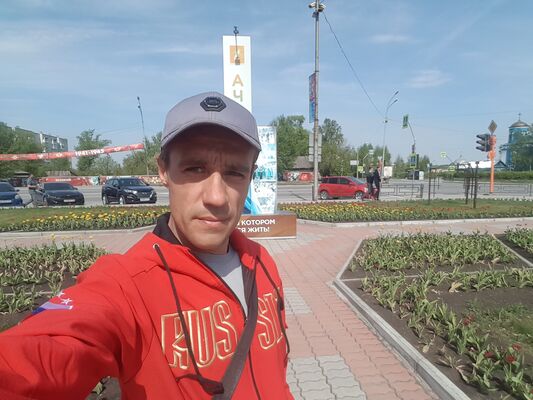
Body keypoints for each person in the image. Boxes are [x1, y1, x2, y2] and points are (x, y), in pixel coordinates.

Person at [0, 92, 292, 400]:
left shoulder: (261, 262)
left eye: (235, 172)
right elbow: (39, 355)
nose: (217, 197)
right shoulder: (126, 285)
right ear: (163, 170)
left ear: (251, 176)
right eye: (195, 169)